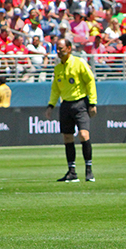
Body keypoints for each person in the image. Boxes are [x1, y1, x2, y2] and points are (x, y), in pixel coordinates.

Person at [45, 38, 99, 182]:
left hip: (80, 103)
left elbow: (90, 81)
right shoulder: (57, 68)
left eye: (61, 48)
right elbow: (55, 89)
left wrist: (92, 102)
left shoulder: (79, 63)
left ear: (69, 48)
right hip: (65, 105)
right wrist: (51, 105)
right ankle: (72, 172)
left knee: (83, 134)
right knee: (67, 138)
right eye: (57, 48)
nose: (58, 51)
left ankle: (89, 170)